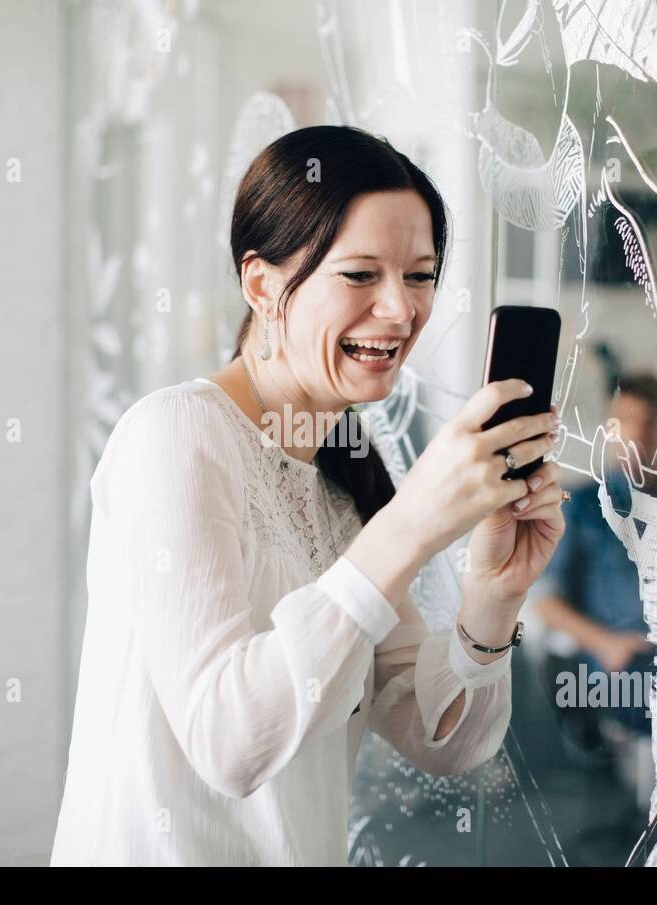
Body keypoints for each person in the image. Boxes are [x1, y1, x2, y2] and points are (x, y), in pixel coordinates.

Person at [50, 125, 567, 865]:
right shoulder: (173, 435)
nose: (399, 310)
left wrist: (494, 593)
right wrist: (411, 524)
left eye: (419, 275)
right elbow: (227, 741)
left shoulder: (341, 479)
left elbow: (438, 737)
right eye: (361, 275)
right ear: (263, 285)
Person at [533, 373, 657, 740]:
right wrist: (606, 644)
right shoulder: (582, 507)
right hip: (620, 662)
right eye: (626, 420)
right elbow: (546, 603)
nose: (637, 434)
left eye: (650, 422)